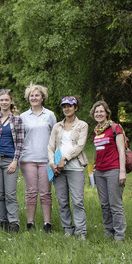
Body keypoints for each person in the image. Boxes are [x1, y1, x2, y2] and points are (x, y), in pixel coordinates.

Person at [48, 96, 89, 239]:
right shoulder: (57, 126)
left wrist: (64, 159)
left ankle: (81, 231)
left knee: (77, 200)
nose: (67, 108)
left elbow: (80, 146)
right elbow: (50, 147)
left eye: (70, 106)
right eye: (64, 106)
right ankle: (67, 229)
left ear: (75, 108)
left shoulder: (82, 125)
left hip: (75, 167)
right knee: (62, 201)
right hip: (58, 169)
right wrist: (52, 163)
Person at [0, 89, 25, 233]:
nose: (4, 102)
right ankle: (3, 222)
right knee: (0, 194)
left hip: (10, 160)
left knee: (10, 194)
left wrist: (15, 161)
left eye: (6, 100)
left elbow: (20, 143)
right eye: (1, 100)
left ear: (11, 101)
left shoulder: (17, 120)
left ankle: (14, 223)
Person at [20, 83, 57, 232]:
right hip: (27, 158)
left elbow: (56, 136)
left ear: (43, 98)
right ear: (28, 98)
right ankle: (30, 223)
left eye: (37, 95)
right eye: (31, 95)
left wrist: (54, 158)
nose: (34, 98)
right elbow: (18, 138)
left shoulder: (50, 115)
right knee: (31, 192)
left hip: (46, 160)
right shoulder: (22, 116)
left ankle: (47, 223)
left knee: (45, 192)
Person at [91, 100, 127, 242]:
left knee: (115, 204)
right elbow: (98, 150)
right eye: (96, 112)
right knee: (104, 204)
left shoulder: (115, 128)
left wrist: (122, 171)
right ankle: (108, 231)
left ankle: (119, 235)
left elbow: (121, 151)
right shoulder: (96, 131)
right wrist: (94, 165)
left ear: (107, 113)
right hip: (99, 172)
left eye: (101, 111)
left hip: (113, 170)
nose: (99, 114)